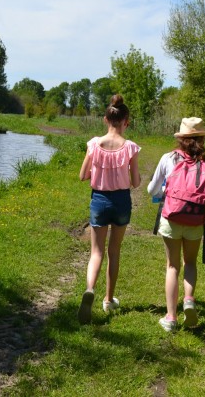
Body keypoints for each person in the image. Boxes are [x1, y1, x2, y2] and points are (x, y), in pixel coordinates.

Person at [147, 117, 205, 331]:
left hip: (171, 219)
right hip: (195, 221)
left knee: (172, 266)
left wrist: (164, 191)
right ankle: (189, 299)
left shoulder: (168, 158)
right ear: (201, 139)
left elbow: (151, 190)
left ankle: (171, 317)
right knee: (189, 263)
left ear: (181, 139)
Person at [77, 94, 141, 324]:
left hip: (99, 201)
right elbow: (136, 182)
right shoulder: (131, 148)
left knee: (96, 252)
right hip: (122, 201)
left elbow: (83, 175)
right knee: (114, 251)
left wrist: (98, 171)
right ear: (127, 121)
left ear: (105, 119)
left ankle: (90, 289)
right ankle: (108, 299)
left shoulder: (94, 144)